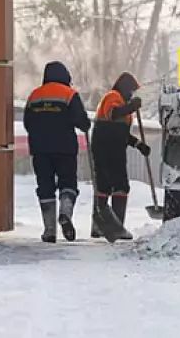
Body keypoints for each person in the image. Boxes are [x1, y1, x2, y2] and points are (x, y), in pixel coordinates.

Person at [23, 61, 91, 243]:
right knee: (68, 183)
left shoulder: (34, 95)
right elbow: (82, 121)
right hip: (65, 148)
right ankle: (65, 213)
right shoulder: (69, 94)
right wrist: (85, 124)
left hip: (40, 149)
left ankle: (49, 231)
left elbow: (27, 123)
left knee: (45, 186)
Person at [90, 72, 150, 240]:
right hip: (108, 148)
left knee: (104, 186)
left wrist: (138, 144)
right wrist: (131, 107)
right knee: (120, 186)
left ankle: (100, 226)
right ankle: (115, 227)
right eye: (131, 91)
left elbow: (121, 133)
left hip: (108, 146)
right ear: (125, 88)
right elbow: (113, 114)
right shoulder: (112, 97)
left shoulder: (121, 103)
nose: (131, 94)